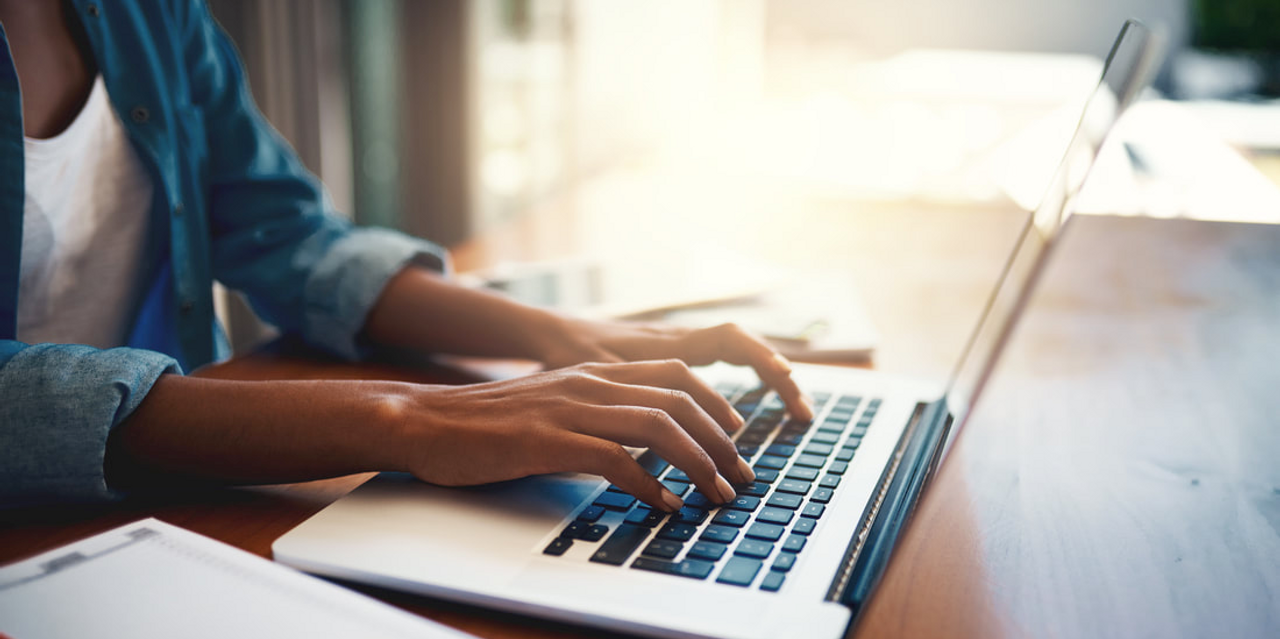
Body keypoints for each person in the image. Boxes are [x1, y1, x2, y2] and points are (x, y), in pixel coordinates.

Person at [0, 0, 811, 511]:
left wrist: (561, 339)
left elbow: (285, 234)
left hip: (181, 497)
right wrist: (412, 418)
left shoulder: (153, 14)